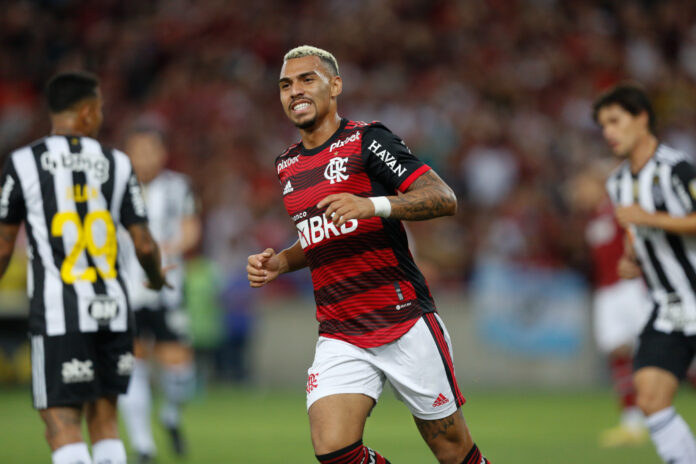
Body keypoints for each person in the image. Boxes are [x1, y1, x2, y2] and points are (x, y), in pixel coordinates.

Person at [247, 45, 490, 464]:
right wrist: (280, 263)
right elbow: (319, 235)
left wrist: (374, 204)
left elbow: (443, 197)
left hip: (402, 320)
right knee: (334, 450)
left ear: (335, 85)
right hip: (340, 331)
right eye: (286, 84)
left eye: (308, 79)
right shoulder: (286, 164)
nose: (295, 91)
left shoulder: (367, 140)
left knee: (452, 450)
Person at [0, 71, 169, 464]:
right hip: (114, 309)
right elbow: (144, 243)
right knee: (105, 422)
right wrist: (157, 279)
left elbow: (4, 245)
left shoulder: (23, 163)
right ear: (89, 111)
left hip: (61, 312)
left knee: (62, 425)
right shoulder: (117, 163)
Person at [595, 82, 696, 462]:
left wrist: (649, 217)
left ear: (642, 119)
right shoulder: (618, 182)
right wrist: (631, 258)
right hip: (668, 305)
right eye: (603, 125)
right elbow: (637, 235)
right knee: (650, 396)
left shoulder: (677, 167)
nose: (609, 132)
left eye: (615, 121)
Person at [117, 126, 201, 464]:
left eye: (150, 150)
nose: (144, 158)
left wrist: (166, 249)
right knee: (130, 363)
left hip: (168, 290)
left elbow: (191, 230)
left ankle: (170, 415)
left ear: (162, 153)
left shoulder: (179, 187)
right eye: (137, 151)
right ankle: (143, 447)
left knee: (180, 372)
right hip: (126, 291)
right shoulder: (115, 190)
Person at [569, 163, 650, 447]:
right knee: (618, 353)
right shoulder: (592, 217)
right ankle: (632, 423)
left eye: (582, 186)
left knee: (656, 350)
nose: (578, 193)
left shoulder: (618, 208)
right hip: (606, 291)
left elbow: (640, 237)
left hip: (629, 288)